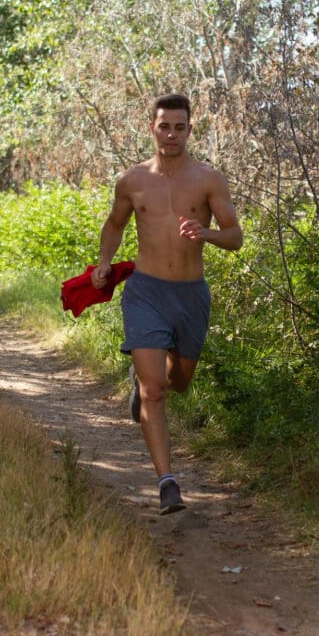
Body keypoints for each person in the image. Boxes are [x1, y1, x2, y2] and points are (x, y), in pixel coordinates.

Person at [91, 93, 243, 515]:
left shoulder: (209, 180)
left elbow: (235, 237)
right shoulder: (133, 180)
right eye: (164, 126)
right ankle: (166, 481)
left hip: (190, 294)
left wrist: (206, 233)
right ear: (152, 128)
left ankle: (148, 381)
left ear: (190, 130)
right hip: (146, 291)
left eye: (179, 126)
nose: (171, 134)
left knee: (179, 383)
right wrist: (104, 262)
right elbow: (114, 224)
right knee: (154, 389)